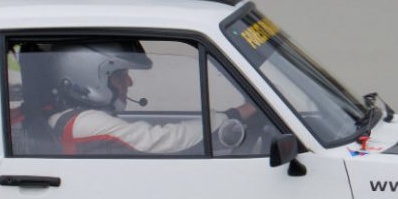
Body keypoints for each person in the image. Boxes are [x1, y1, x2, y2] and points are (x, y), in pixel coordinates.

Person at [31, 43, 254, 156]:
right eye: (120, 75)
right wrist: (234, 116)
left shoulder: (68, 116)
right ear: (90, 77)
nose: (129, 83)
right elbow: (162, 142)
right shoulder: (83, 124)